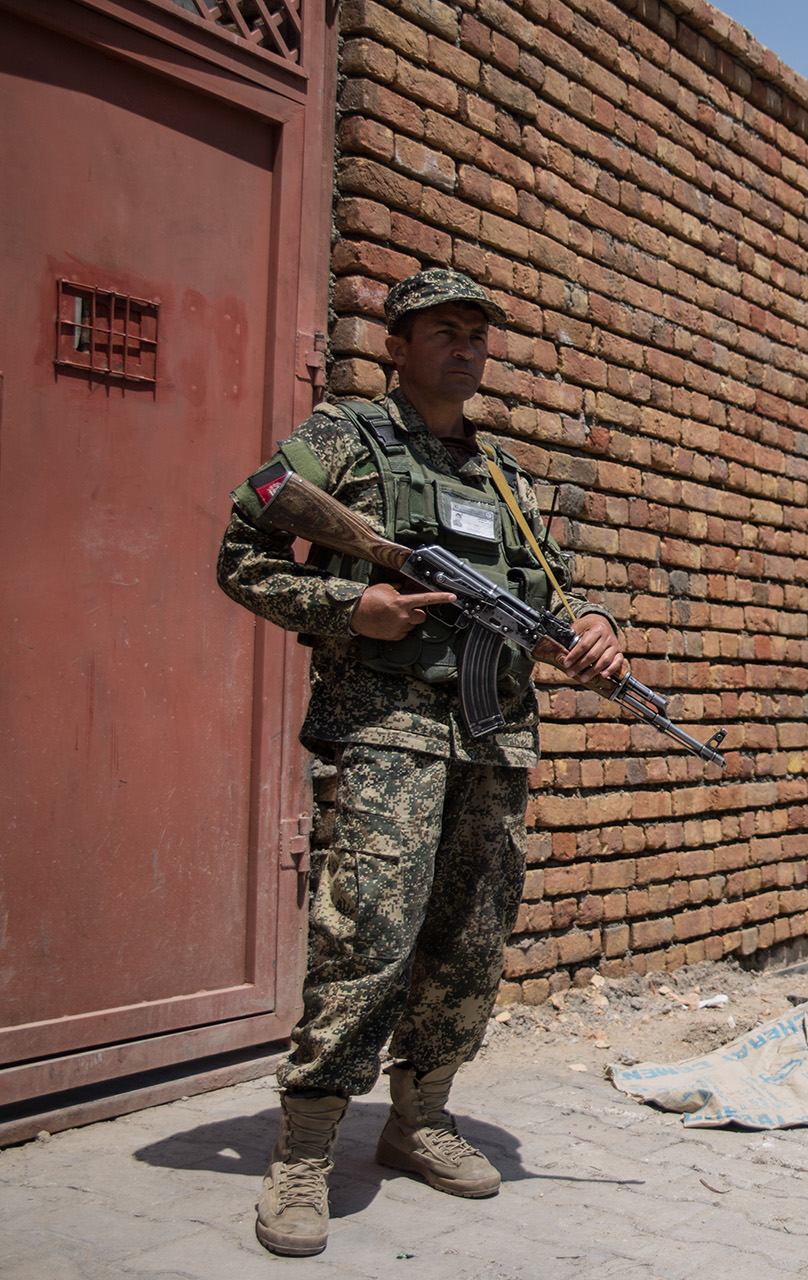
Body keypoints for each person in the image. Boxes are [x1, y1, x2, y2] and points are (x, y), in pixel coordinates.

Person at [216, 268, 625, 1257]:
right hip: (386, 726)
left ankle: (418, 1116)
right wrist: (347, 608)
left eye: (476, 334)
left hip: (493, 741)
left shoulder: (511, 482)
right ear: (396, 344)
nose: (465, 347)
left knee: (470, 940)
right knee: (369, 938)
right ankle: (306, 1150)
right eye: (443, 330)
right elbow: (243, 551)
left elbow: (555, 596)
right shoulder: (340, 444)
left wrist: (594, 627)